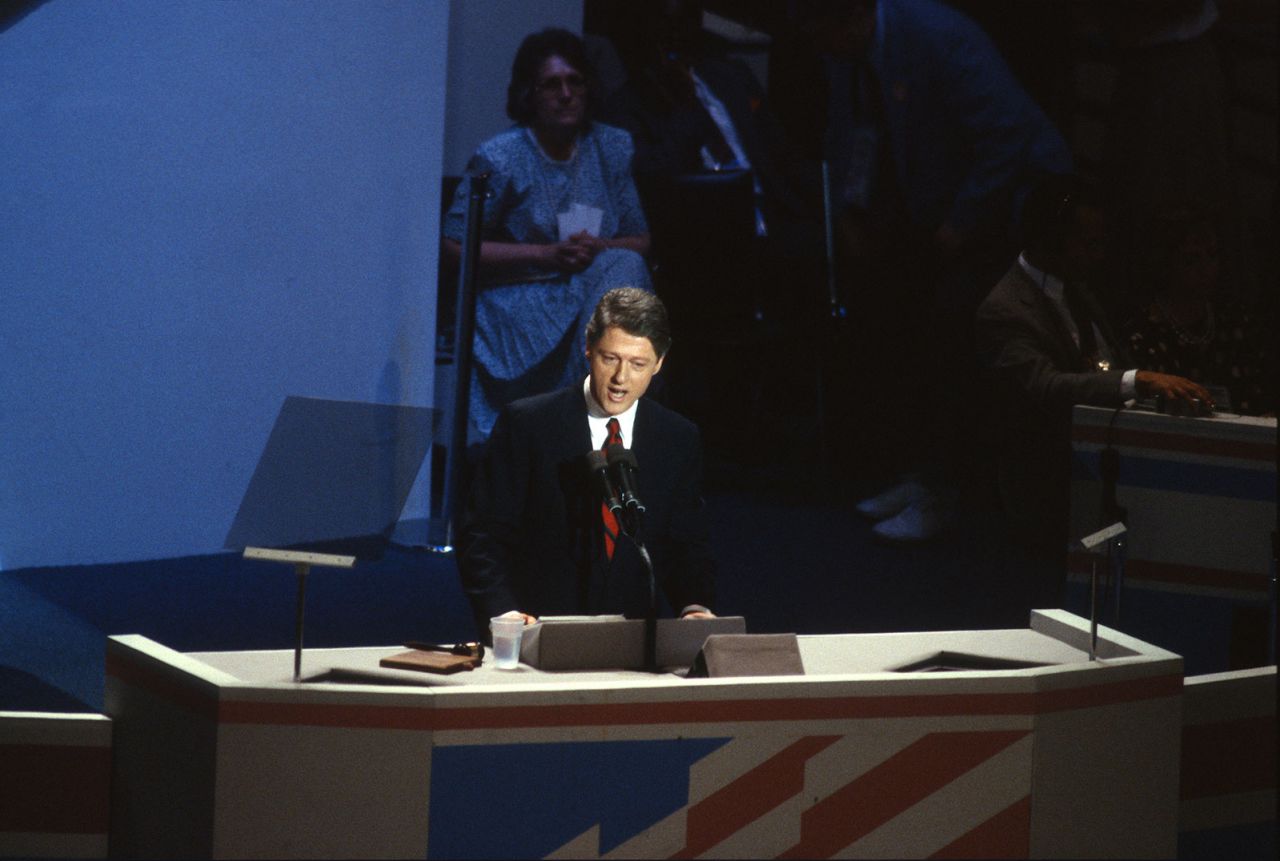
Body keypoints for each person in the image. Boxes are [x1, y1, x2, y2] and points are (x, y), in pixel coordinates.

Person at [799, 0, 1074, 542]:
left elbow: (1007, 136)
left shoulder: (936, 36)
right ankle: (923, 472)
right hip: (937, 197)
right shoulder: (844, 53)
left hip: (1016, 202)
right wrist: (851, 211)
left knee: (951, 325)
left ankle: (949, 489)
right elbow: (852, 129)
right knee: (894, 317)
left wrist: (961, 222)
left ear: (848, 19)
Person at [975, 174, 1212, 607]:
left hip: (1105, 474)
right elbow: (1043, 387)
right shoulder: (1005, 308)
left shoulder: (1080, 289)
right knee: (1070, 601)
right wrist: (1134, 380)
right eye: (1089, 243)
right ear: (1050, 239)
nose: (1098, 254)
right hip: (1052, 486)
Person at [456, 288, 716, 637]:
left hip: (634, 646)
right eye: (610, 358)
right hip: (535, 639)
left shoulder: (677, 438)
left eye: (638, 364)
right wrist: (504, 613)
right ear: (588, 348)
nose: (621, 378)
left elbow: (685, 544)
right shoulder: (528, 424)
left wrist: (694, 606)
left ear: (659, 364)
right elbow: (482, 535)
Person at [442, 28, 653, 443]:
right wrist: (545, 254)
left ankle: (604, 417)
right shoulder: (501, 156)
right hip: (522, 297)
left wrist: (599, 247)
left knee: (626, 265)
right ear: (529, 94)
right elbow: (454, 246)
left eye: (575, 82)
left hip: (591, 291)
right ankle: (583, 422)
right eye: (551, 84)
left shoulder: (609, 147)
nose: (566, 94)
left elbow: (640, 239)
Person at [1122, 204, 1273, 416]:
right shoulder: (1144, 331)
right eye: (1191, 260)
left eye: (1212, 256)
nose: (1206, 269)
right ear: (1167, 263)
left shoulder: (1235, 323)